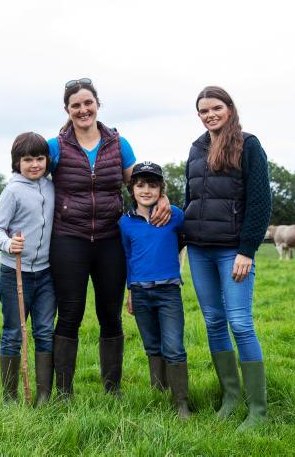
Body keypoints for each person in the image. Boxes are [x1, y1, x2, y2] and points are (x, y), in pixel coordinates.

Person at [48, 78, 171, 397]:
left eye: (88, 103)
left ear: (97, 105)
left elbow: (141, 185)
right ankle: (63, 391)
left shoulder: (119, 144)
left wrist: (163, 198)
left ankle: (111, 388)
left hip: (110, 240)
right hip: (68, 239)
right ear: (67, 110)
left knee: (109, 314)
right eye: (75, 105)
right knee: (70, 314)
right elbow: (32, 180)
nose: (82, 109)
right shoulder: (55, 146)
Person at [183, 85, 272, 430]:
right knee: (214, 322)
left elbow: (261, 202)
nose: (210, 114)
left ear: (230, 109)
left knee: (240, 322)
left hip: (232, 251)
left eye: (215, 108)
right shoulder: (196, 148)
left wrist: (246, 250)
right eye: (203, 110)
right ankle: (231, 397)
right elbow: (191, 198)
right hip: (199, 249)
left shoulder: (248, 145)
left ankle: (258, 410)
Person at [0, 132, 56, 405]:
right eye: (27, 160)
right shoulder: (12, 191)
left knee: (44, 330)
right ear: (17, 162)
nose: (34, 165)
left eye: (39, 158)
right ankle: (9, 397)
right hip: (14, 273)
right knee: (14, 332)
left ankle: (43, 395)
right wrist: (7, 243)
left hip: (47, 272)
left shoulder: (51, 186)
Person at [119, 162, 189, 419]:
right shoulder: (125, 223)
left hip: (168, 291)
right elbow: (129, 257)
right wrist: (129, 291)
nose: (146, 190)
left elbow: (186, 238)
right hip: (140, 291)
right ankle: (159, 394)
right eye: (140, 185)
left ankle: (181, 403)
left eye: (152, 185)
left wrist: (167, 203)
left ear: (161, 189)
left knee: (173, 346)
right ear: (132, 189)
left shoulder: (175, 216)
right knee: (152, 346)